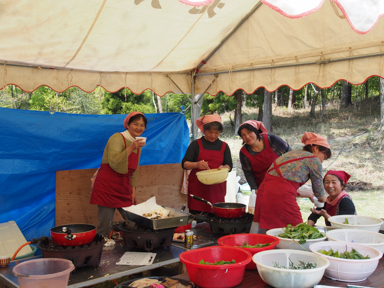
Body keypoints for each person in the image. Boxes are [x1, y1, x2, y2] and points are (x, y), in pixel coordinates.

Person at [253, 132, 331, 231]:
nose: (322, 161)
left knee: (268, 229)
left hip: (264, 190)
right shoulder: (313, 160)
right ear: (315, 148)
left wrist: (308, 194)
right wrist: (325, 200)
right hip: (280, 194)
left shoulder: (293, 153)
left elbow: (284, 183)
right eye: (324, 157)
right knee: (295, 228)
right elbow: (319, 191)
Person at [90, 111, 147, 237]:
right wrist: (132, 147)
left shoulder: (138, 143)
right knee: (104, 227)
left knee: (134, 221)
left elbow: (134, 168)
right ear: (127, 125)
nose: (139, 127)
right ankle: (101, 252)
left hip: (124, 186)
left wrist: (133, 189)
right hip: (107, 185)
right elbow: (114, 161)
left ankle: (132, 246)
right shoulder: (117, 138)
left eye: (142, 125)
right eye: (135, 124)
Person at [182, 114, 233, 215]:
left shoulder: (224, 146)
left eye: (217, 133)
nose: (213, 135)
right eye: (210, 132)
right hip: (198, 189)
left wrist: (224, 167)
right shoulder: (196, 144)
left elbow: (229, 166)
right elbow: (185, 164)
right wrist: (196, 165)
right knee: (197, 218)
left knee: (216, 216)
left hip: (216, 189)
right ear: (204, 130)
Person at [238, 120, 291, 191]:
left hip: (283, 182)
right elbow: (248, 173)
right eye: (243, 135)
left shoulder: (271, 140)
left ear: (256, 131)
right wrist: (255, 189)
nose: (247, 136)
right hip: (263, 187)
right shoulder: (244, 152)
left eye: (249, 132)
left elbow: (290, 155)